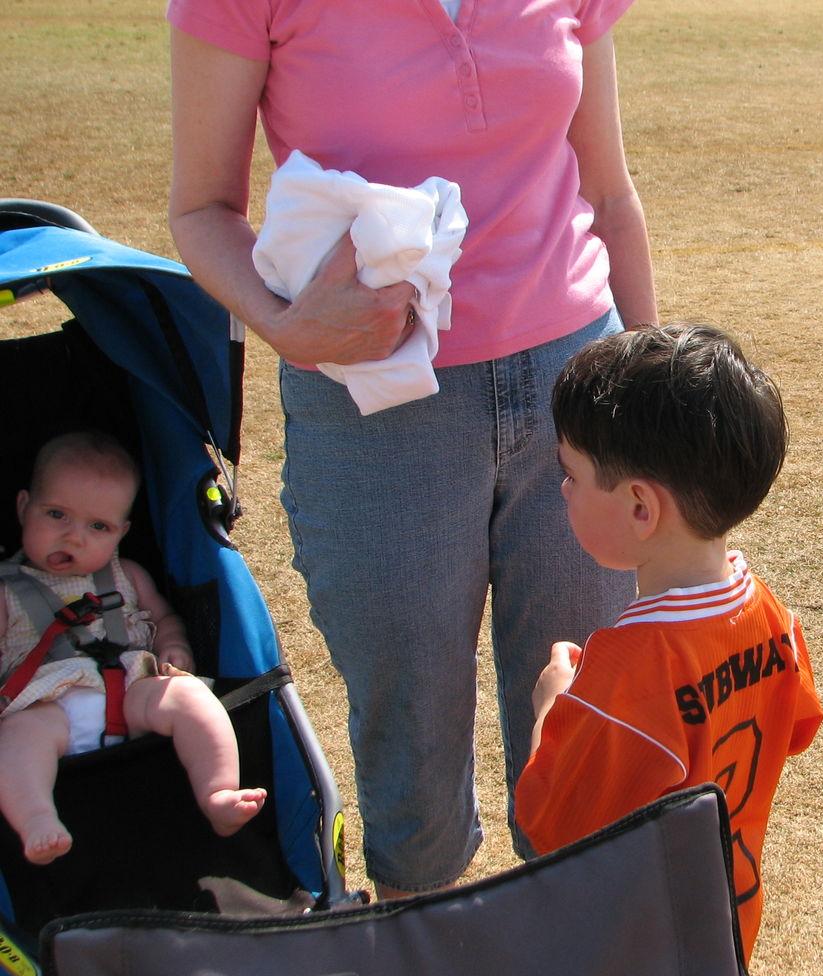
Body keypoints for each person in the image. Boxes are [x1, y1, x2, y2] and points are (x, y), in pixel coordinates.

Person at [166, 0, 657, 897]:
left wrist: (649, 405)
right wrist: (285, 324)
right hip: (374, 406)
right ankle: (426, 961)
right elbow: (200, 208)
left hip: (578, 386)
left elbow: (610, 195)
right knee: (411, 749)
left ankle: (574, 963)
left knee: (588, 728)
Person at [514, 323, 823, 960]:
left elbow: (552, 824)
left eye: (570, 475)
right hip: (728, 927)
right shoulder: (771, 615)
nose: (564, 490)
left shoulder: (624, 677)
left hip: (638, 955)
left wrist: (554, 708)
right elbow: (795, 726)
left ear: (639, 509)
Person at [0, 432, 266, 865]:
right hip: (48, 706)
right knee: (15, 739)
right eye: (56, 514)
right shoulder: (8, 591)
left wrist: (174, 644)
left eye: (98, 527)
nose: (74, 537)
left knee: (190, 697)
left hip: (132, 693)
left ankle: (217, 791)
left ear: (121, 533)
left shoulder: (129, 576)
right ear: (22, 508)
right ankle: (36, 820)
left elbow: (163, 618)